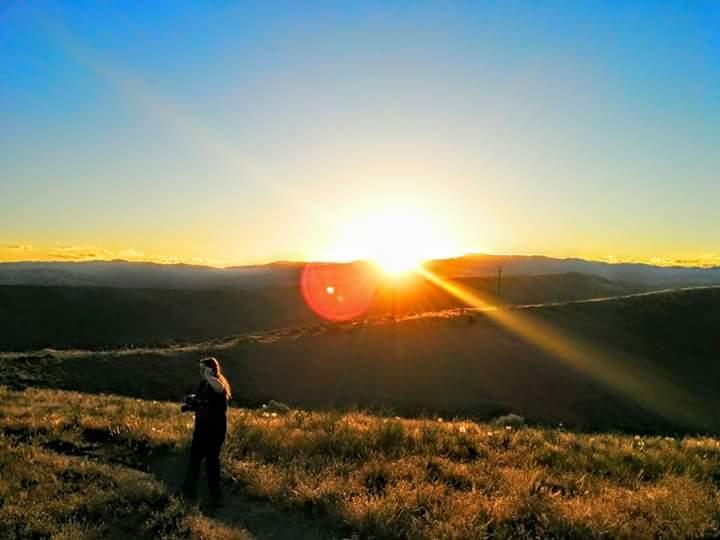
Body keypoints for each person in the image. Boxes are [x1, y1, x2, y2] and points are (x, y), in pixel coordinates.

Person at [181, 356, 232, 505]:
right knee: (194, 461)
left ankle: (215, 498)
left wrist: (209, 376)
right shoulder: (203, 384)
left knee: (212, 462)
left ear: (211, 369)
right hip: (201, 428)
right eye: (200, 368)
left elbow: (219, 389)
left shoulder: (217, 382)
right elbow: (201, 402)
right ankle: (188, 492)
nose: (200, 371)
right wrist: (190, 405)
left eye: (203, 368)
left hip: (215, 430)